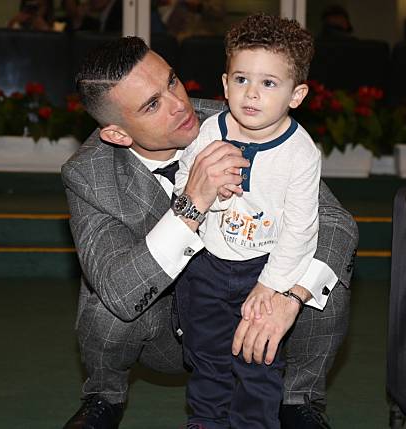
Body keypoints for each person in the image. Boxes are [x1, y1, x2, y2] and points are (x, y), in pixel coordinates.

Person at [61, 36, 357, 429]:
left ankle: (298, 401)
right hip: (163, 326)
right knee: (106, 297)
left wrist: (288, 295)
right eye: (152, 105)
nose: (179, 105)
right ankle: (104, 397)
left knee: (322, 279)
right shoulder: (88, 174)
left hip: (255, 302)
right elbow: (120, 291)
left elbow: (338, 222)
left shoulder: (243, 116)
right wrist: (192, 203)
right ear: (117, 134)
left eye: (172, 81)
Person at [173, 14, 319, 428]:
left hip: (263, 269)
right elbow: (185, 182)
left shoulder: (301, 154)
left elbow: (301, 229)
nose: (251, 94)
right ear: (224, 84)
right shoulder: (209, 131)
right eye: (241, 80)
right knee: (207, 359)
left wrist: (271, 285)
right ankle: (205, 421)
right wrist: (209, 198)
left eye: (268, 83)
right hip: (206, 265)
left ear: (297, 94)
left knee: (258, 360)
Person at [162, 0, 226, 41]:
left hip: (206, 38)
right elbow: (170, 22)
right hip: (180, 40)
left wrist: (199, 6)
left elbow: (220, 13)